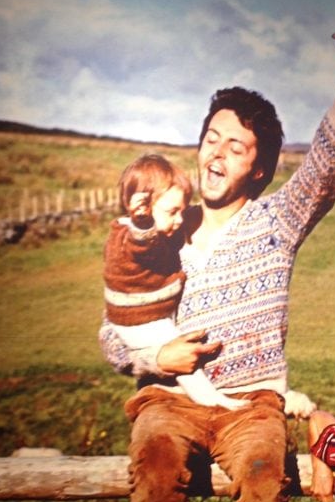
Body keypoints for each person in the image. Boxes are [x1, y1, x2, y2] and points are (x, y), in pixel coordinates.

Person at [99, 0, 335, 502]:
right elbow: (114, 330)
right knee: (155, 457)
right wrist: (153, 359)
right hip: (174, 401)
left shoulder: (276, 224)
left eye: (236, 144)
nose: (216, 152)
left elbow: (325, 166)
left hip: (250, 405)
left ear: (258, 164)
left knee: (263, 472)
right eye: (210, 138)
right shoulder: (162, 232)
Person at [103, 152, 248, 411]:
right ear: (142, 210)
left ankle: (201, 395)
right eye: (172, 212)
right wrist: (143, 222)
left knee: (177, 345)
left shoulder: (139, 233)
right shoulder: (132, 235)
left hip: (143, 313)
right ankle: (210, 399)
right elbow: (142, 245)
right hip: (138, 318)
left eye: (182, 211)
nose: (179, 220)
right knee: (180, 351)